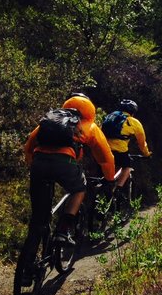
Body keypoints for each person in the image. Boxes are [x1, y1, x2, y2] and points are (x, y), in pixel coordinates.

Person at [19, 93, 115, 282]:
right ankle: (63, 229)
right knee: (78, 189)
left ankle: (26, 269)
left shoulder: (50, 121)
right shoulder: (89, 126)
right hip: (65, 164)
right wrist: (110, 179)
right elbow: (105, 158)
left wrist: (34, 165)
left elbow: (28, 146)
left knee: (38, 221)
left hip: (39, 164)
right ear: (89, 109)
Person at [102, 99, 152, 192]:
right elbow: (142, 142)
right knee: (127, 167)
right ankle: (118, 189)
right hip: (120, 151)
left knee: (106, 173)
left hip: (103, 149)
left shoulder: (110, 117)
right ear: (133, 112)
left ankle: (103, 190)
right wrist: (146, 154)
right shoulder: (133, 122)